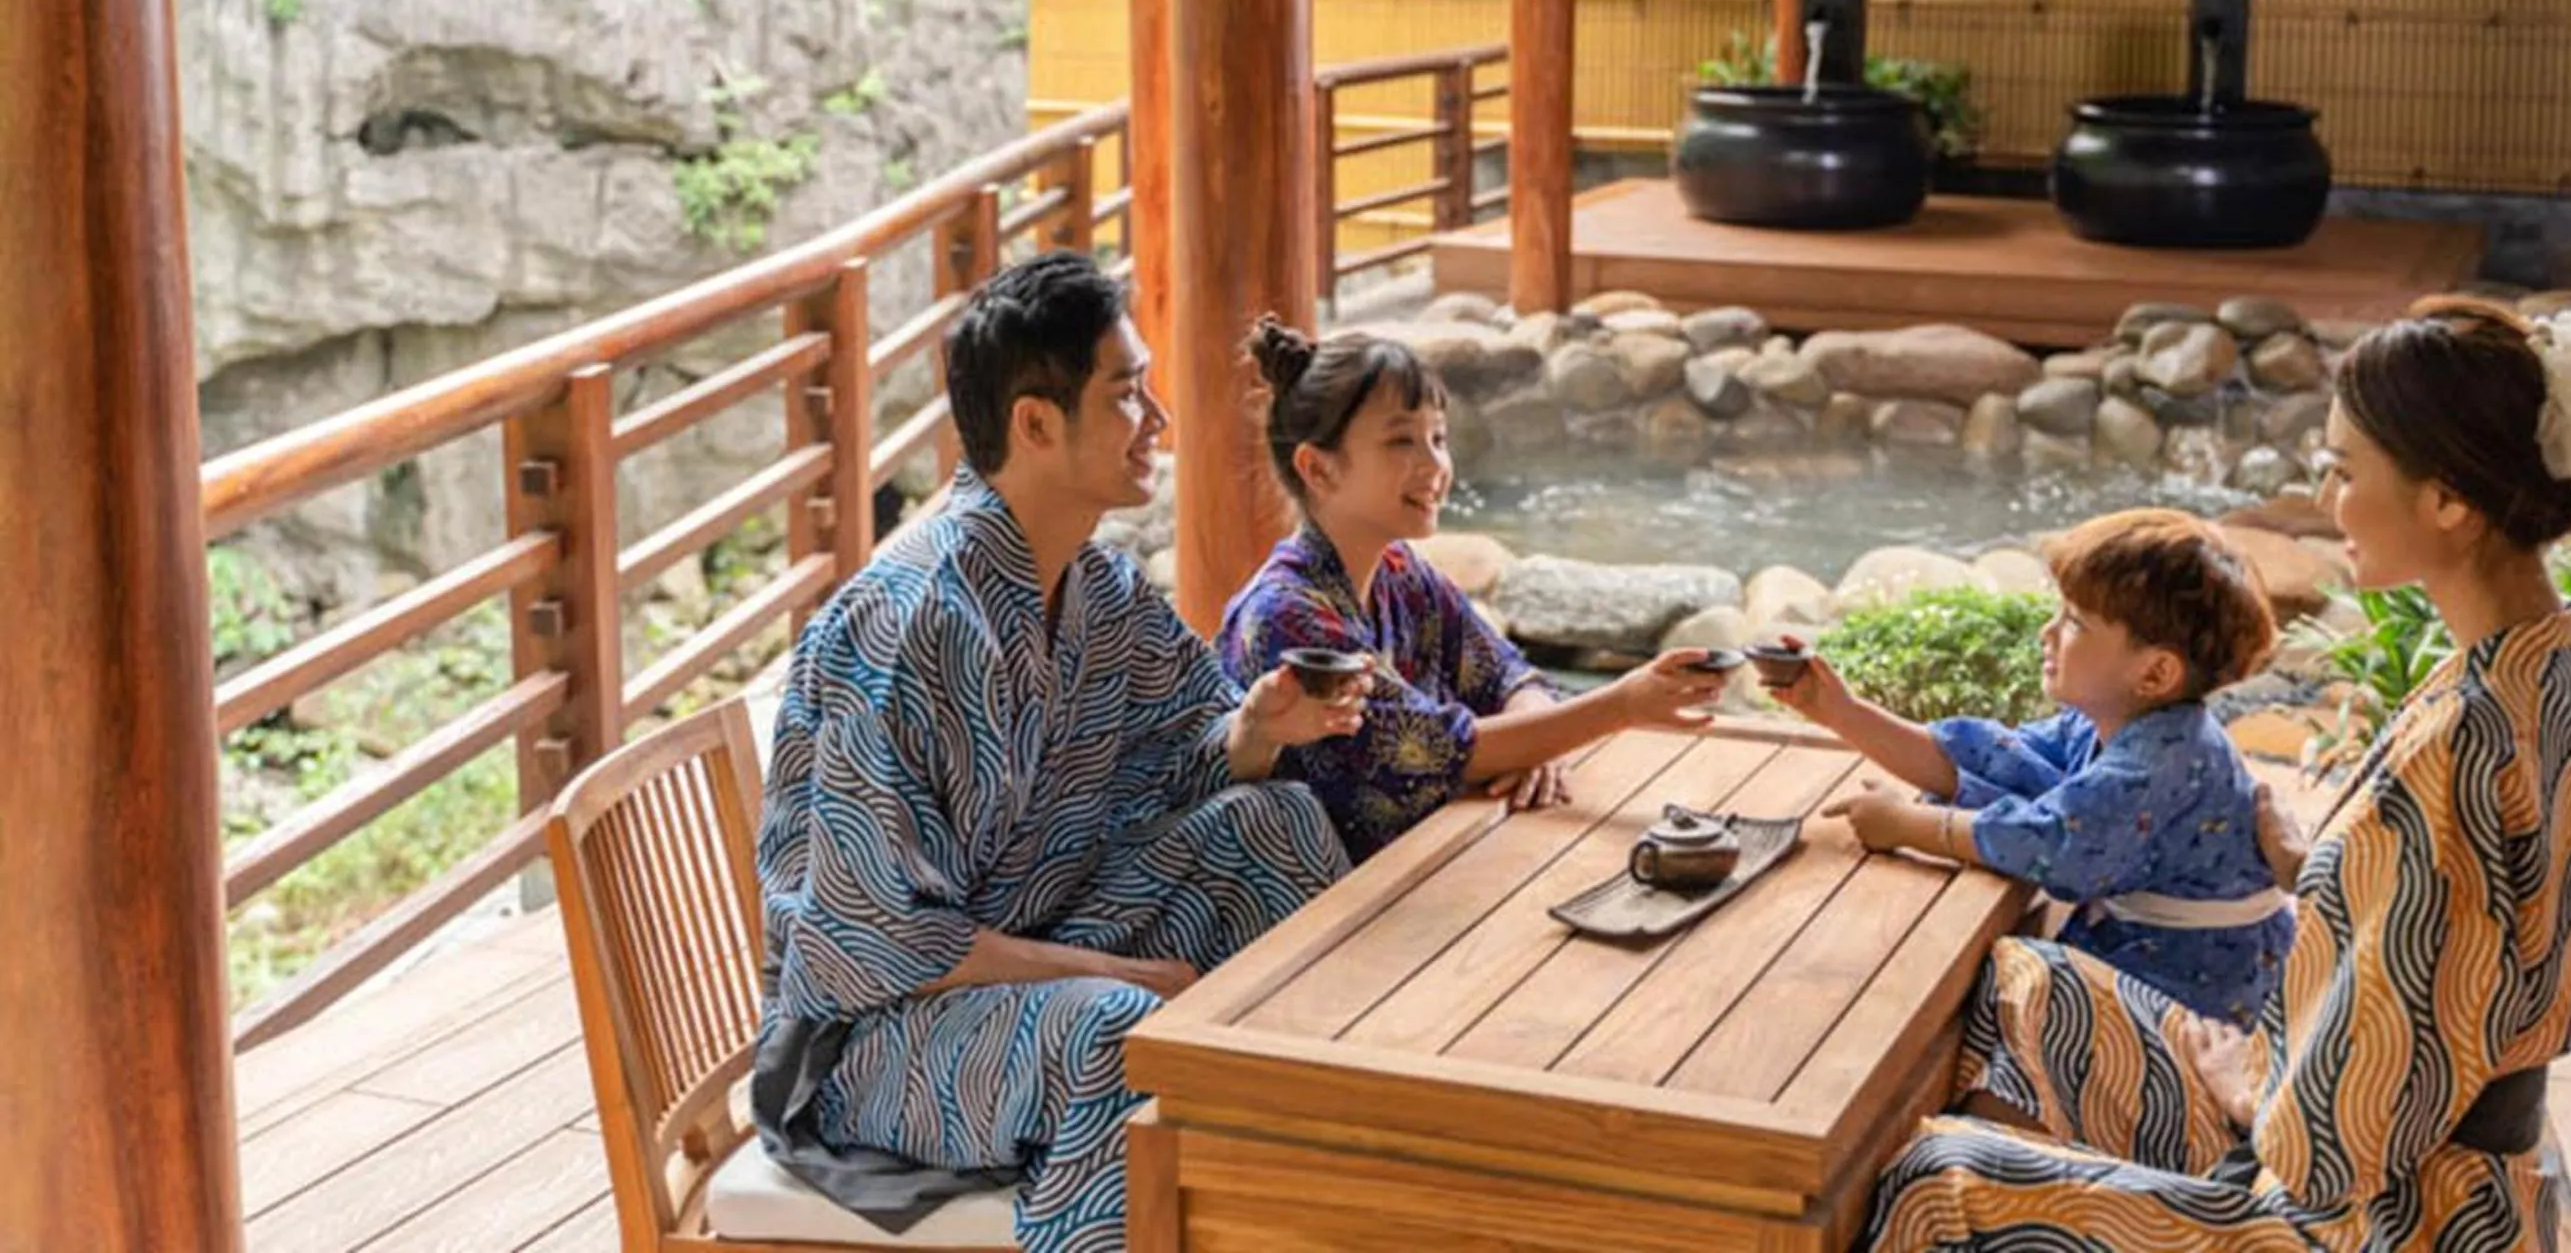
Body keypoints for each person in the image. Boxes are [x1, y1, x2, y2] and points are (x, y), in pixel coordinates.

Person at [1856, 298, 2571, 1253]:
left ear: (2449, 501)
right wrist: (2306, 861)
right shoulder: (2563, 670)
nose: (2326, 495)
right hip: (2445, 1160)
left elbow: (2343, 1143)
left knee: (1938, 1182)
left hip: (2386, 1215)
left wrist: (2254, 1091)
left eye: (2347, 470)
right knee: (2028, 980)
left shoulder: (2465, 740)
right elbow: (2484, 942)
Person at [749, 254, 1360, 1253]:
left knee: (1278, 825)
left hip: (1041, 937)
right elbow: (876, 945)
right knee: (1113, 1030)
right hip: (872, 1043)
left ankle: (1307, 1206)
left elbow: (1180, 766)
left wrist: (1255, 732)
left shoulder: (1100, 590)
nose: (1156, 421)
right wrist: (1138, 981)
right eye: (1126, 396)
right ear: (1036, 425)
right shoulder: (915, 622)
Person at [1216, 317, 1731, 859]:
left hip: (1424, 864)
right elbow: (1434, 749)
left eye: (1438, 438)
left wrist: (1534, 744)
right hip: (1315, 910)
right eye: (1400, 441)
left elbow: (1510, 673)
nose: (1435, 465)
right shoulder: (1284, 616)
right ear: (1318, 470)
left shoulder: (1399, 572)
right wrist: (1621, 705)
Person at [1780, 508, 2293, 1025]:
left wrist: (1909, 826)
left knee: (1990, 990)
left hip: (2193, 994)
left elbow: (2052, 845)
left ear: (2156, 672)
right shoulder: (2112, 722)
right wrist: (1840, 712)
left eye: (2074, 622)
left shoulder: (2158, 762)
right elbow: (1995, 761)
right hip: (2156, 953)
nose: (2048, 632)